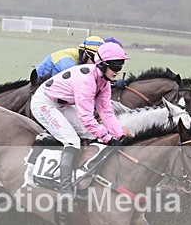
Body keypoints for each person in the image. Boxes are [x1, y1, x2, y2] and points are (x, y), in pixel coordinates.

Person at [30, 41, 130, 198]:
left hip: (63, 105)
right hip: (44, 103)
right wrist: (108, 138)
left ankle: (82, 171)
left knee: (90, 135)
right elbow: (86, 117)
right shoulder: (86, 81)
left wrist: (119, 135)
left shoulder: (104, 83)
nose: (118, 71)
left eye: (120, 67)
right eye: (115, 67)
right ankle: (65, 189)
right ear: (102, 64)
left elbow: (107, 112)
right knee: (72, 140)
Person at [34, 35, 105, 79]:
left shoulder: (78, 58)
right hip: (38, 86)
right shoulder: (67, 61)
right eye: (93, 59)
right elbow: (80, 79)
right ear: (84, 53)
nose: (95, 64)